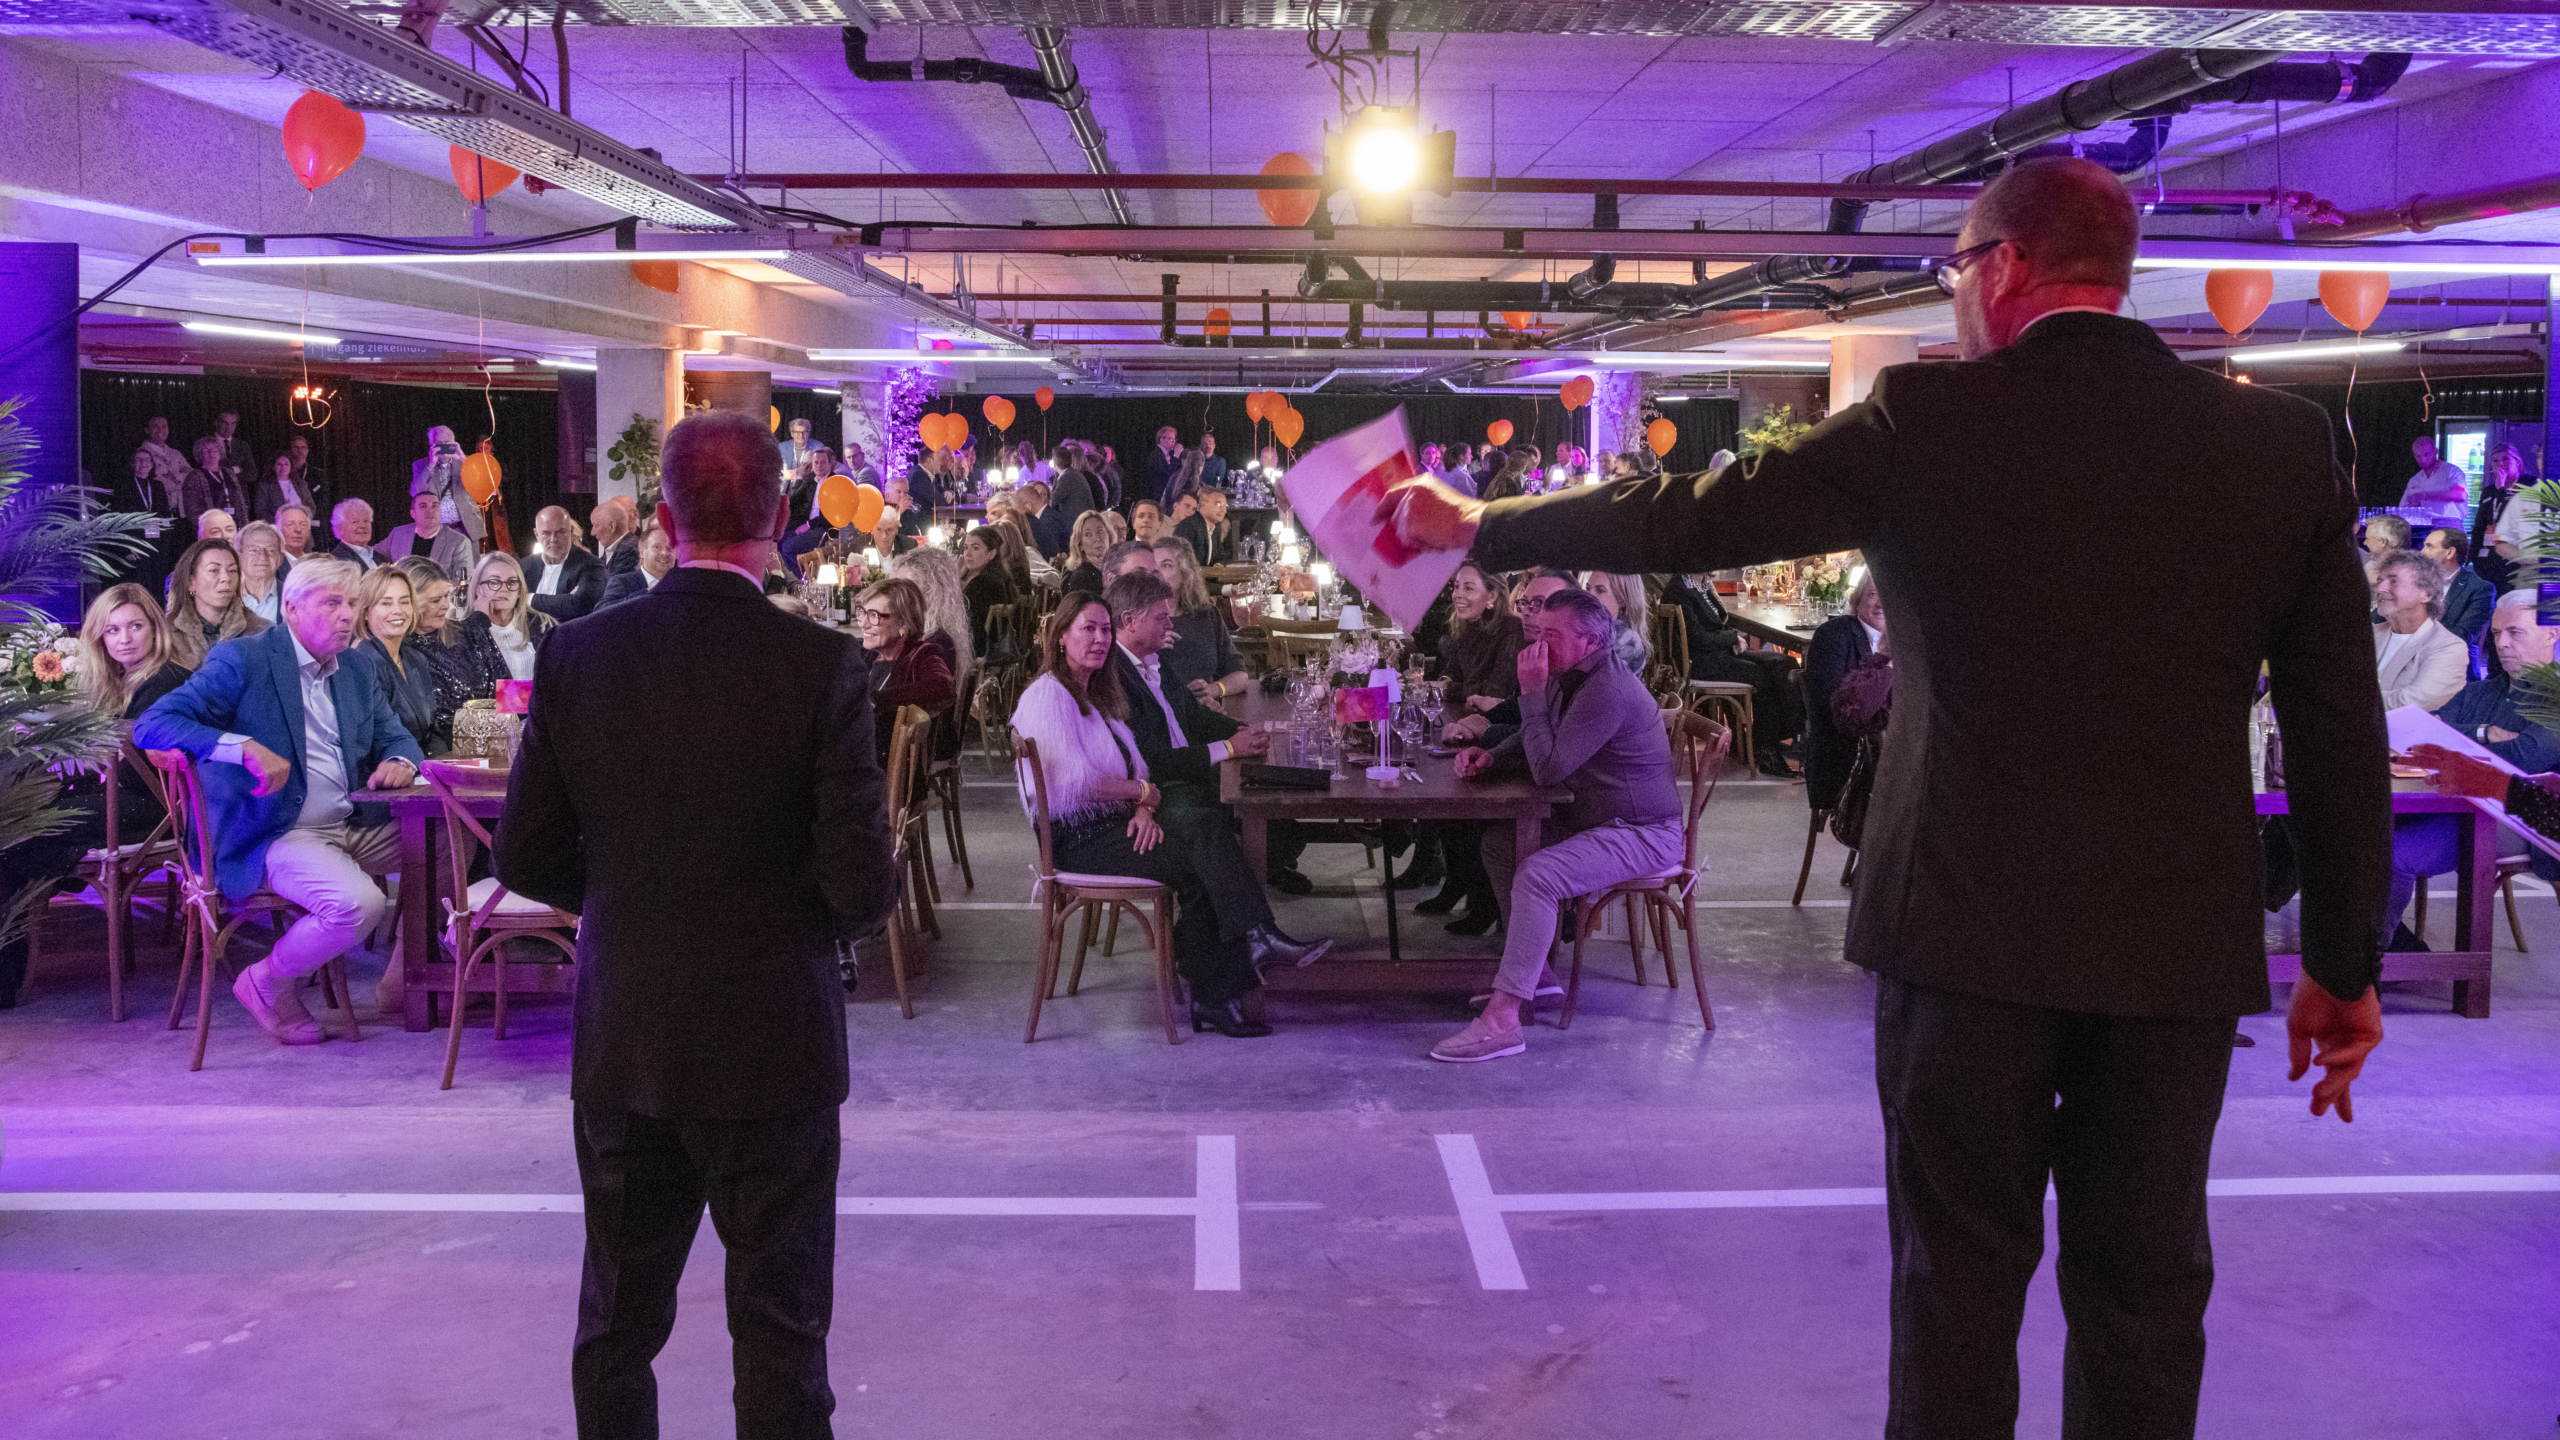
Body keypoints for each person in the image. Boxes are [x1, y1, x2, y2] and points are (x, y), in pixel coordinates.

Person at [1378, 156, 2387, 1435]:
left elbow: (1689, 515)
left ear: (2005, 266)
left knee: (1955, 1282)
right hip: (2171, 947)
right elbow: (2336, 727)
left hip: (1963, 923)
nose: (1953, 292)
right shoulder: (2278, 445)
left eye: (1956, 266)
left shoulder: (1929, 421)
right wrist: (2344, 963)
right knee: (2144, 1289)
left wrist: (1482, 522)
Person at [493, 407, 895, 1439]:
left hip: (631, 1034)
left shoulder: (579, 655)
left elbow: (525, 857)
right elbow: (859, 890)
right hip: (775, 1043)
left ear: (663, 514)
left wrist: (636, 898)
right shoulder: (822, 667)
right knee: (780, 1332)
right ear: (782, 514)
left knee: (617, 1324)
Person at [135, 557, 424, 1045]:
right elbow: (153, 723)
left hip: (349, 824)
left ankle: (401, 979)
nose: (347, 615)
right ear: (290, 608)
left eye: (353, 603)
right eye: (332, 603)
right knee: (358, 904)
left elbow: (397, 736)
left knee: (447, 846)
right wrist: (242, 747)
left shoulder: (354, 666)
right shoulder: (243, 658)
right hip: (272, 829)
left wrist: (402, 761)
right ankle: (267, 980)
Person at [1015, 588, 1320, 1039]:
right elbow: (1079, 783)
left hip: (1114, 820)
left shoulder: (1096, 690)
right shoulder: (1049, 696)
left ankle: (1238, 961)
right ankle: (1231, 971)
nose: (1100, 639)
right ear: (1061, 636)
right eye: (1088, 629)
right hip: (1078, 838)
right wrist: (1141, 793)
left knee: (1203, 833)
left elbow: (1132, 762)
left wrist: (1143, 804)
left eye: (1104, 629)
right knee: (1199, 861)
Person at [1433, 588, 1682, 1062]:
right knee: (1502, 844)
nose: (1538, 644)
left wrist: (1529, 692)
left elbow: (1549, 768)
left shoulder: (1607, 687)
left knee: (1539, 874)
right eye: (1538, 631)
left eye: (1551, 634)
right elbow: (1539, 735)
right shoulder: (1571, 673)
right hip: (1599, 818)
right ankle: (1538, 979)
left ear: (1591, 643)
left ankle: (1504, 1019)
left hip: (1642, 831)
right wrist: (1492, 756)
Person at [0, 586, 192, 1008]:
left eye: (135, 626)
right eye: (112, 630)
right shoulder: (123, 681)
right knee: (19, 825)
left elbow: (143, 766)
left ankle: (6, 980)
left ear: (155, 629)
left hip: (160, 810)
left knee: (16, 840)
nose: (124, 638)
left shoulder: (166, 680)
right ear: (99, 638)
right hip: (128, 800)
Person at [2386, 591, 2560, 948]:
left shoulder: (2554, 698)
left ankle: (2372, 959)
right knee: (2347, 835)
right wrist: (2484, 733)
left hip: (2516, 818)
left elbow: (2521, 756)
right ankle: (2378, 948)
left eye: (2515, 633)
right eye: (2496, 634)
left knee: (2388, 854)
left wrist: (2454, 742)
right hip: (2450, 803)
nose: (2502, 643)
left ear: (2551, 634)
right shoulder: (2480, 692)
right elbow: (2427, 734)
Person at [1415, 562, 1525, 925]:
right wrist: (1451, 687)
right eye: (1456, 587)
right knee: (1433, 772)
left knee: (1452, 783)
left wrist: (1450, 688)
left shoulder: (1511, 631)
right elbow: (1457, 682)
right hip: (1469, 725)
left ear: (1493, 596)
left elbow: (1491, 695)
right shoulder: (1464, 630)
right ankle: (1456, 881)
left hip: (1503, 734)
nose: (1457, 596)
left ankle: (1483, 900)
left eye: (1468, 589)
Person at [1662, 570, 1800, 774]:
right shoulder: (1680, 589)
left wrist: (1732, 637)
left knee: (1784, 663)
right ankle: (1766, 749)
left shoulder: (1702, 585)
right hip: (1702, 663)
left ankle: (1765, 739)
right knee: (1762, 676)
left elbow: (1717, 624)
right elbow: (1698, 638)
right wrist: (1732, 638)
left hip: (1718, 654)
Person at [854, 577, 957, 766]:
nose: (863, 624)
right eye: (862, 613)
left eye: (874, 615)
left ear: (903, 624)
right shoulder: (865, 655)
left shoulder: (922, 654)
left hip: (883, 770)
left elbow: (944, 688)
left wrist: (876, 700)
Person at [1803, 576, 1884, 813]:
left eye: (1887, 596)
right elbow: (1834, 709)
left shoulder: (1904, 642)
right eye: (1872, 594)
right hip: (1845, 760)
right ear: (1857, 600)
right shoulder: (1834, 635)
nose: (1881, 604)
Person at [350, 563, 438, 766]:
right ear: (365, 612)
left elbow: (432, 731)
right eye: (386, 603)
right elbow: (370, 747)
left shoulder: (416, 658)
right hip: (385, 778)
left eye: (404, 602)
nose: (398, 610)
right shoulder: (363, 663)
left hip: (420, 769)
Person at [2369, 549, 2468, 712]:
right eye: (2379, 581)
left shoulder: (2448, 647)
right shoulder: (2369, 633)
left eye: (2393, 582)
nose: (2380, 589)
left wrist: (2353, 697)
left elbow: (2414, 703)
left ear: (2426, 594)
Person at [1150, 539, 1245, 703]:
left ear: (1185, 573)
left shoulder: (1206, 614)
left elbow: (1240, 675)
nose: (1156, 572)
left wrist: (1214, 689)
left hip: (1206, 711)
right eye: (1153, 566)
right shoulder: (1139, 620)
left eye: (1166, 565)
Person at [164, 537, 268, 670]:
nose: (226, 578)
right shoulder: (164, 635)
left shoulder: (262, 631)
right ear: (191, 582)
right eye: (214, 570)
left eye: (232, 571)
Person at [465, 551, 551, 684]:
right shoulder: (464, 632)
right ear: (478, 589)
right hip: (485, 705)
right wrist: (478, 623)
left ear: (519, 591)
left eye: (511, 582)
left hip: (536, 704)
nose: (504, 588)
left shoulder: (542, 625)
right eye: (494, 582)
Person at [2424, 528, 2494, 664]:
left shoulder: (2479, 589)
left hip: (2452, 664)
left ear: (2449, 552)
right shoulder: (2416, 581)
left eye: (2429, 547)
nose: (2422, 552)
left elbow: (2462, 635)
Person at [412, 425, 489, 549]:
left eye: (447, 442)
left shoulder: (468, 461)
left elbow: (483, 484)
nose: (443, 447)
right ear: (431, 445)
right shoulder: (421, 465)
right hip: (437, 529)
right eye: (438, 443)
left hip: (466, 527)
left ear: (454, 443)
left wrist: (462, 458)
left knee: (469, 566)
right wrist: (431, 466)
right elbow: (416, 492)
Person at [523, 506, 605, 622]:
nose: (553, 539)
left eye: (560, 532)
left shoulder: (591, 565)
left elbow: (577, 606)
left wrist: (529, 599)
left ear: (571, 532)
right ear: (536, 534)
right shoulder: (524, 565)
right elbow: (509, 605)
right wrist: (565, 600)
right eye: (546, 533)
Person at [381, 488, 474, 589]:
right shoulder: (398, 534)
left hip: (438, 599)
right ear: (413, 514)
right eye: (423, 506)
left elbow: (463, 583)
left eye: (435, 505)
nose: (430, 510)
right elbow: (372, 554)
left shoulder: (459, 542)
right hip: (403, 598)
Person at [958, 526, 1021, 661]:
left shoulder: (982, 583)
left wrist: (956, 580)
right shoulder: (1000, 577)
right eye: (965, 547)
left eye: (975, 548)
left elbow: (961, 620)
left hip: (978, 651)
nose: (967, 554)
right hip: (993, 650)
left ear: (991, 554)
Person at [2470, 442, 2526, 593]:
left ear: (2517, 462)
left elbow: (2507, 516)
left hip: (2512, 557)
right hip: (2487, 557)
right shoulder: (2488, 491)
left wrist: (2501, 490)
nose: (2500, 464)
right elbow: (2480, 524)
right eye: (2495, 460)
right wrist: (2472, 557)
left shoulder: (2528, 486)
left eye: (2505, 459)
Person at [599, 513, 674, 610]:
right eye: (657, 547)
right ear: (642, 550)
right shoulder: (622, 582)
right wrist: (646, 593)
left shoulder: (682, 582)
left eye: (670, 548)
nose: (665, 553)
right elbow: (601, 610)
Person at [2402, 436, 2470, 527]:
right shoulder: (2414, 480)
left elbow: (2461, 495)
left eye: (2426, 454)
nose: (2422, 459)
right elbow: (2404, 508)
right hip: (2424, 527)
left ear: (2435, 452)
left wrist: (2428, 496)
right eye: (2418, 456)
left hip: (2450, 526)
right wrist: (2412, 507)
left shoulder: (2451, 471)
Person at [235, 521, 286, 625]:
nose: (263, 557)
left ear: (280, 558)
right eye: (253, 550)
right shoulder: (225, 598)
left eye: (271, 550)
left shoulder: (293, 598)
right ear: (238, 556)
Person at [256, 449, 322, 524]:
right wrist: (281, 522)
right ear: (273, 467)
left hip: (300, 526)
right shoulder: (265, 486)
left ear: (291, 466)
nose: (283, 467)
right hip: (277, 529)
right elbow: (260, 511)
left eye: (286, 464)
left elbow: (311, 506)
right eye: (279, 464)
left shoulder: (301, 484)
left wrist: (304, 520)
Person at [1175, 487, 1235, 567]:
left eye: (1225, 506)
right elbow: (1184, 562)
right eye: (1218, 504)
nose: (1223, 510)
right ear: (1203, 504)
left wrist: (1218, 565)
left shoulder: (1215, 527)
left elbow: (1220, 557)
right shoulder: (1189, 525)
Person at [1059, 511, 1113, 596]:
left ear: (1109, 536)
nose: (1097, 538)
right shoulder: (1081, 577)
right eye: (1088, 534)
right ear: (1080, 544)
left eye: (1100, 531)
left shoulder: (1116, 567)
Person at [592, 495, 642, 579]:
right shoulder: (613, 542)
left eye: (620, 511)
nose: (615, 516)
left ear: (635, 514)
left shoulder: (642, 543)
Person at [328, 498, 380, 571]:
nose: (363, 526)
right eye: (355, 522)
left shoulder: (379, 557)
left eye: (366, 521)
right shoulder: (338, 561)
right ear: (341, 529)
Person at [1139, 425, 1184, 509]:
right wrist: (1176, 455)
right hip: (1157, 499)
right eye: (1171, 439)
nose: (1174, 441)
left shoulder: (1168, 455)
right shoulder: (1156, 456)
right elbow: (1169, 474)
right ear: (1162, 439)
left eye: (1175, 439)